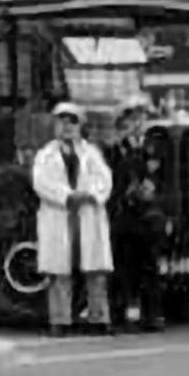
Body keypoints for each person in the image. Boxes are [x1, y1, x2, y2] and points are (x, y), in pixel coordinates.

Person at [32, 100, 114, 337]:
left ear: (80, 127)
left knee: (95, 271)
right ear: (55, 125)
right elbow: (41, 183)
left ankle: (99, 319)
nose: (67, 127)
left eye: (72, 122)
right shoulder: (45, 155)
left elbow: (105, 180)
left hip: (87, 214)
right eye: (62, 122)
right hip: (60, 215)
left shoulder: (92, 153)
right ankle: (60, 321)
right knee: (59, 273)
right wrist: (68, 196)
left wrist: (92, 195)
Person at [105, 96, 167, 332]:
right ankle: (118, 315)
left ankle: (152, 314)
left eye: (142, 117)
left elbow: (158, 175)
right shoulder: (114, 149)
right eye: (133, 118)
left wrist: (151, 186)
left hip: (145, 216)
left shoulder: (151, 148)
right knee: (121, 266)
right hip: (122, 215)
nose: (138, 122)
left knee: (148, 266)